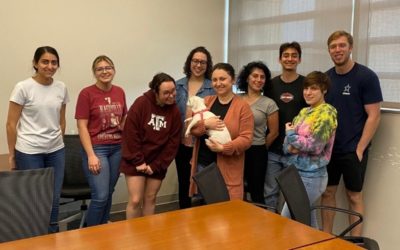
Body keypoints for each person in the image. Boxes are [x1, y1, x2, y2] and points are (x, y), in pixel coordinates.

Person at [321, 30, 382, 236]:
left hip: (353, 149)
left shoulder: (366, 76)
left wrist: (360, 148)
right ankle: (326, 238)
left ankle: (355, 243)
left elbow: (374, 116)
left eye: (341, 45)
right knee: (327, 193)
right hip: (329, 150)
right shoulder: (326, 78)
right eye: (333, 46)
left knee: (354, 195)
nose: (337, 50)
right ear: (329, 50)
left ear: (350, 47)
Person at [6, 46, 69, 233]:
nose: (50, 66)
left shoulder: (61, 87)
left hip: (56, 151)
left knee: (54, 197)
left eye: (54, 62)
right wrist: (12, 155)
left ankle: (52, 236)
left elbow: (62, 121)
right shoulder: (23, 87)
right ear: (35, 63)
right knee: (34, 199)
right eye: (45, 61)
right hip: (29, 151)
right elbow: (11, 124)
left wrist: (57, 141)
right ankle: (35, 238)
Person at [188, 63, 254, 200]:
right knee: (205, 207)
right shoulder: (206, 101)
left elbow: (246, 139)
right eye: (215, 80)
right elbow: (191, 128)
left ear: (233, 80)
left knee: (225, 211)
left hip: (228, 166)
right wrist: (205, 124)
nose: (218, 83)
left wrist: (224, 147)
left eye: (222, 79)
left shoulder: (243, 107)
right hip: (204, 165)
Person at [120, 73, 182, 218]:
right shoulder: (141, 103)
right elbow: (131, 134)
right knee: (135, 200)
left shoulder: (174, 112)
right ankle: (133, 235)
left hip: (157, 162)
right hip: (136, 160)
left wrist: (155, 165)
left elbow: (172, 144)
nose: (172, 95)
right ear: (155, 92)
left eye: (173, 91)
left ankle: (148, 236)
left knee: (150, 198)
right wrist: (139, 161)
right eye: (166, 93)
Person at [75, 55, 127, 226]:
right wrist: (91, 155)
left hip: (117, 148)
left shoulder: (119, 91)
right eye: (100, 69)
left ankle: (103, 225)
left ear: (114, 70)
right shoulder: (86, 93)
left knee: (109, 192)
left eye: (108, 67)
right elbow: (82, 126)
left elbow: (124, 117)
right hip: (98, 149)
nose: (105, 71)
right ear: (94, 73)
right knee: (101, 195)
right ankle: (90, 235)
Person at [281, 71, 337, 229]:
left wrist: (291, 136)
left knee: (285, 220)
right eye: (306, 88)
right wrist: (292, 143)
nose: (308, 92)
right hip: (296, 172)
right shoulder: (304, 112)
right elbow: (286, 145)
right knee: (307, 225)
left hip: (312, 177)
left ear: (324, 90)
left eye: (313, 88)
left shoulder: (327, 113)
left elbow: (315, 146)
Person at [263, 42, 307, 209]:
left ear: (299, 59)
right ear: (279, 59)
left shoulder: (306, 85)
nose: (290, 59)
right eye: (286, 55)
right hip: (273, 150)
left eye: (294, 55)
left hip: (295, 151)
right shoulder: (270, 85)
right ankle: (270, 230)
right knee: (270, 193)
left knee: (294, 196)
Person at [175, 46, 215, 209]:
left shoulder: (213, 86)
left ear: (208, 65)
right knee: (184, 183)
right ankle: (183, 218)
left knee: (206, 183)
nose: (198, 65)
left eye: (203, 62)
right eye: (195, 61)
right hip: (181, 144)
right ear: (189, 62)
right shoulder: (177, 86)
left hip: (203, 143)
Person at [237, 61, 279, 203]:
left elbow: (274, 132)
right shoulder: (237, 99)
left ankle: (258, 223)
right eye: (255, 76)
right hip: (237, 150)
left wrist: (261, 147)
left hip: (257, 152)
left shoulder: (269, 103)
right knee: (237, 189)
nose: (258, 80)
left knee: (256, 192)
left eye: (262, 77)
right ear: (247, 78)